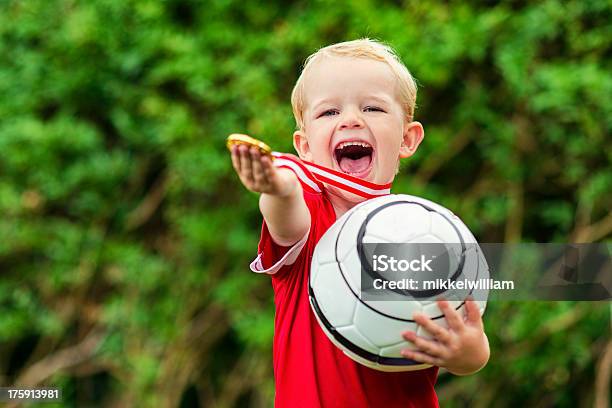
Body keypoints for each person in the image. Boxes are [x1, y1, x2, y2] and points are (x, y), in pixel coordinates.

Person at [229, 38, 490, 407]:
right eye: (328, 113)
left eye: (372, 107)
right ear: (304, 147)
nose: (351, 119)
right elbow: (285, 220)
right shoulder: (310, 217)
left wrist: (465, 352)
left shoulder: (428, 233)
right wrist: (278, 186)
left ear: (408, 138)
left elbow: (474, 346)